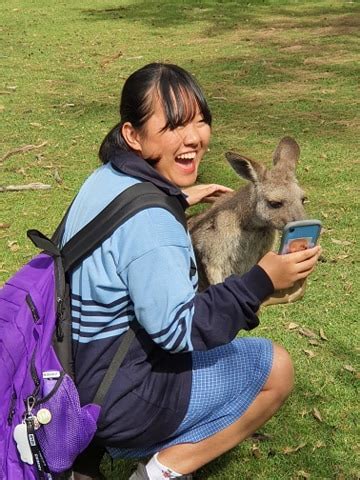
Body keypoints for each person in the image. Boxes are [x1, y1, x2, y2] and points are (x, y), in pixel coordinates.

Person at [62, 63, 321, 480]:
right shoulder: (153, 222)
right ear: (133, 134)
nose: (193, 137)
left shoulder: (106, 180)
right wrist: (259, 284)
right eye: (174, 125)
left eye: (200, 121)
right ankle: (159, 470)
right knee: (276, 367)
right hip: (116, 397)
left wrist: (175, 196)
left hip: (73, 371)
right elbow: (178, 332)